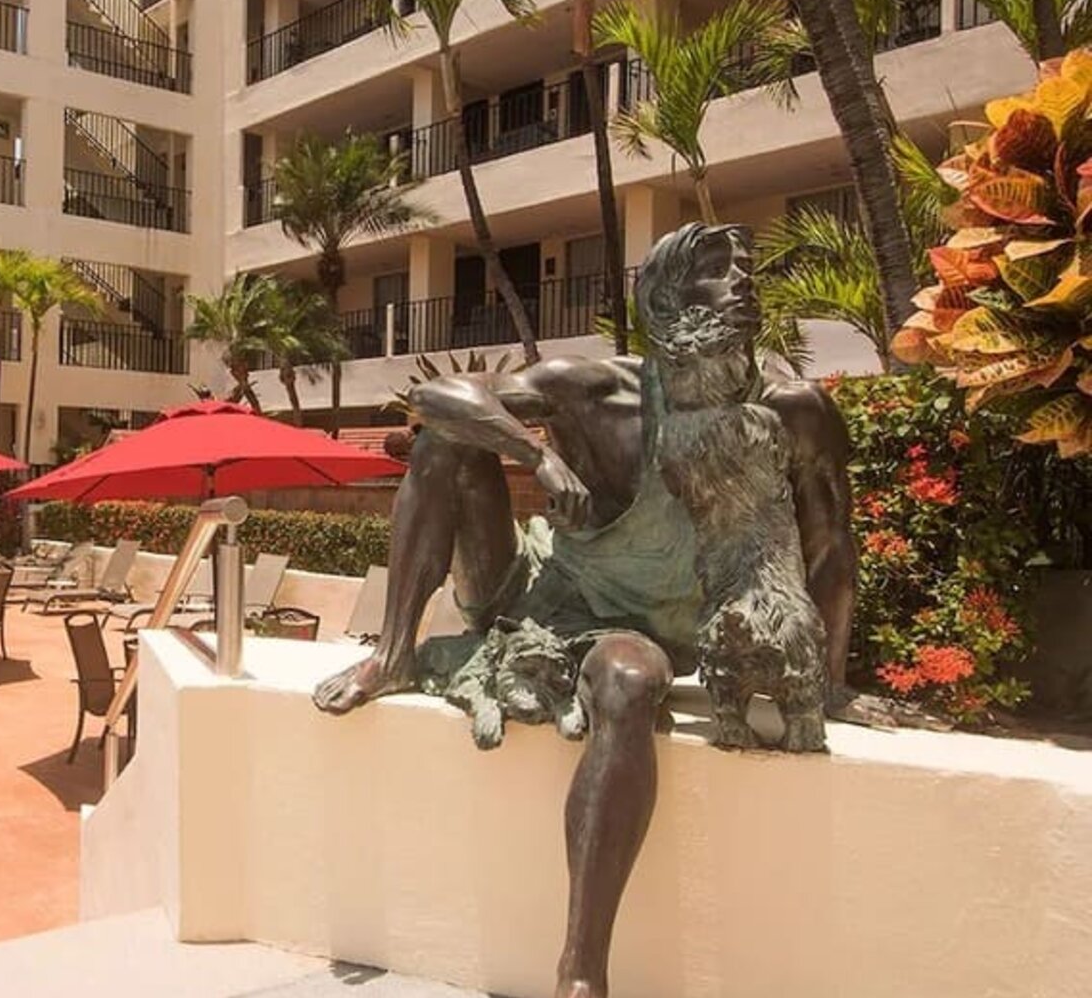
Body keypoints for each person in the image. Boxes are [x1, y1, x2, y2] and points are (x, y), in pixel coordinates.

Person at [312, 223, 862, 998]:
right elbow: (433, 397)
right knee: (446, 444)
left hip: (651, 636)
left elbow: (831, 550)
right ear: (667, 300)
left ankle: (580, 970)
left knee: (630, 688)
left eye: (746, 273)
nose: (740, 283)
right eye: (714, 273)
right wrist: (533, 452)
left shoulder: (793, 411)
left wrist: (830, 682)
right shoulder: (601, 392)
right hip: (550, 596)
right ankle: (394, 653)